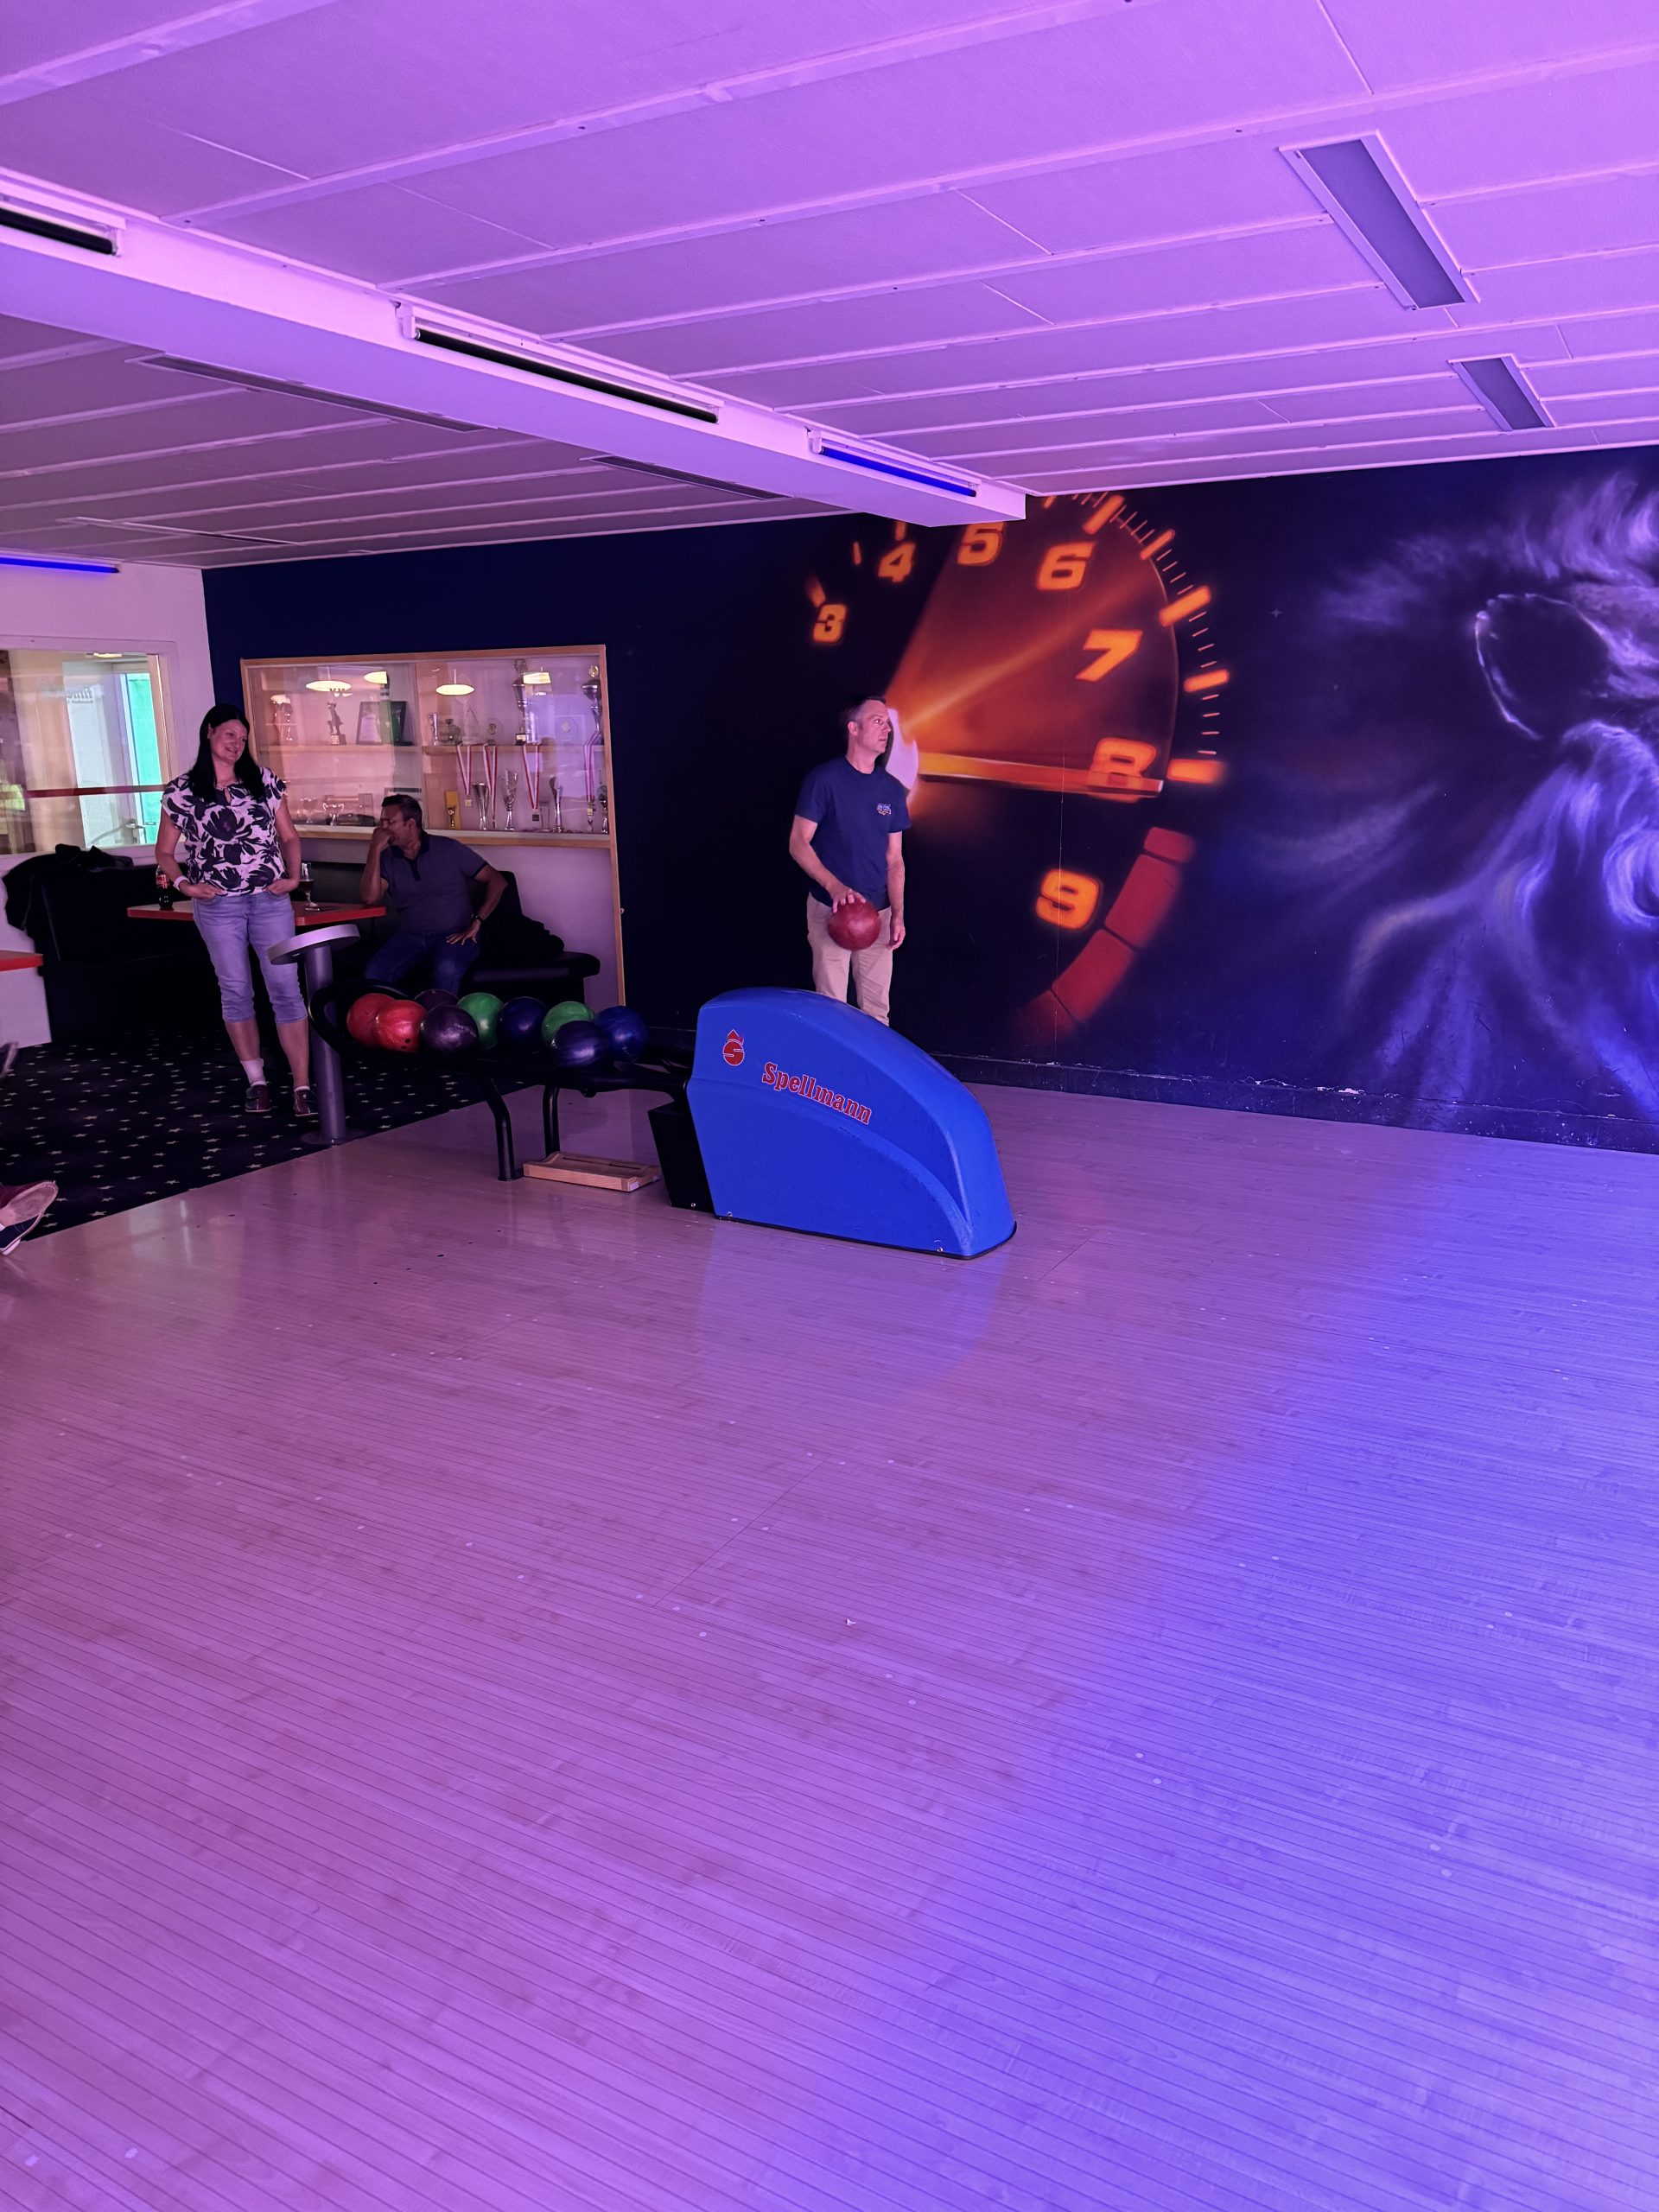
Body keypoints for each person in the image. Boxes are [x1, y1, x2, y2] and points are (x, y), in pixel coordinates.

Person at [155, 703, 315, 1120]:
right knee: (236, 989)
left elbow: (289, 837)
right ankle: (256, 1081)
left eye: (242, 739)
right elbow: (164, 851)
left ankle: (302, 1086)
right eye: (229, 735)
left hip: (269, 898)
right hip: (217, 904)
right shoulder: (182, 791)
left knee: (286, 988)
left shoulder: (263, 781)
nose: (236, 744)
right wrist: (185, 885)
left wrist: (293, 877)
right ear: (209, 732)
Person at [788, 696, 908, 1025]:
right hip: (832, 909)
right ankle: (829, 1062)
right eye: (877, 721)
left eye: (887, 723)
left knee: (877, 1014)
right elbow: (798, 843)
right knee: (831, 1011)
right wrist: (835, 888)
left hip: (878, 914)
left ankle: (869, 1064)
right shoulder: (824, 780)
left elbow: (895, 859)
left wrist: (897, 914)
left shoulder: (892, 790)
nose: (886, 729)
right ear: (853, 729)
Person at [359, 793, 506, 997]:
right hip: (410, 936)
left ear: (411, 824)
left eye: (390, 822)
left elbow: (497, 881)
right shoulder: (386, 858)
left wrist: (477, 922)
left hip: (453, 935)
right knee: (374, 974)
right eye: (381, 822)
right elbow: (370, 898)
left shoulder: (449, 849)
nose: (382, 830)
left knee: (446, 971)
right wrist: (374, 849)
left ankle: (440, 1018)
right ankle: (393, 1018)